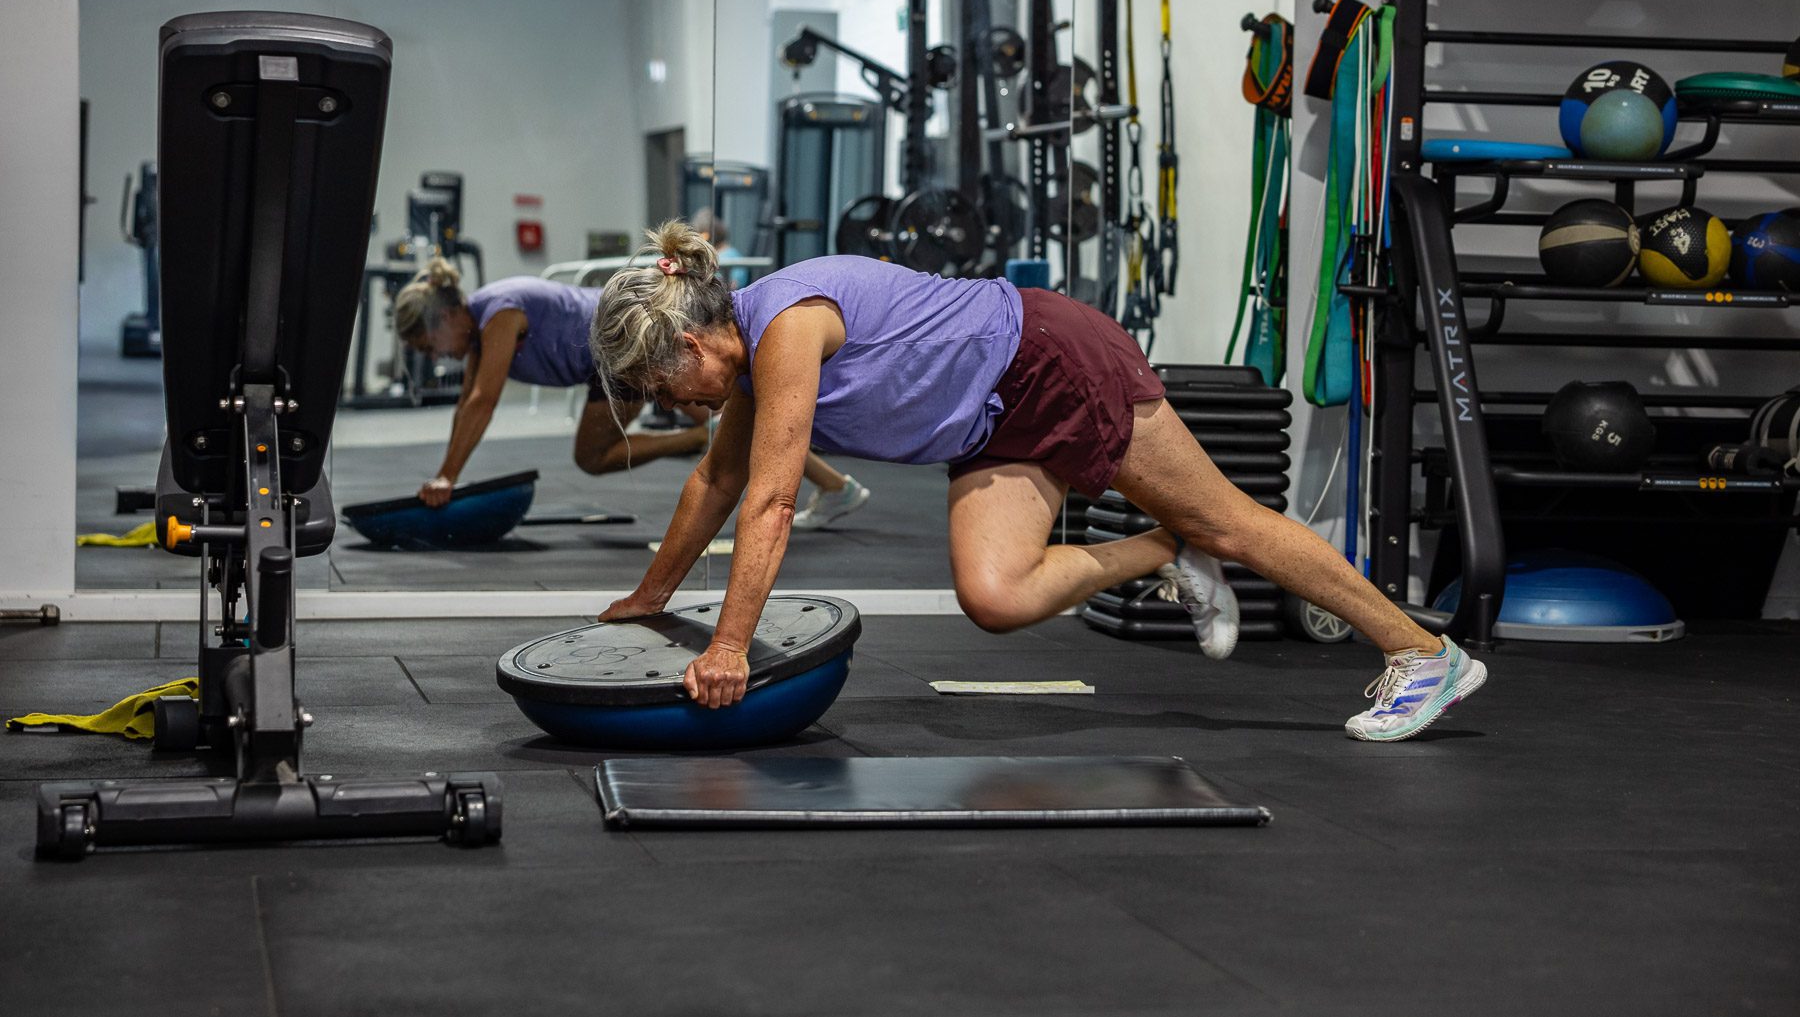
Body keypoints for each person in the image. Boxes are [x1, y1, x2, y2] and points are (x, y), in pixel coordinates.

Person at [589, 223, 1487, 742]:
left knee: (1233, 524)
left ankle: (1423, 655)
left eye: (667, 387)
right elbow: (715, 483)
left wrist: (731, 647)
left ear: (696, 344)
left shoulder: (785, 325)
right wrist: (648, 596)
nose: (676, 405)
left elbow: (772, 502)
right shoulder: (747, 363)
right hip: (991, 420)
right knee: (994, 593)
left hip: (1048, 359)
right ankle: (1159, 548)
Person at [393, 258, 866, 522]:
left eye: (427, 344)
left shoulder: (499, 313)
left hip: (629, 354)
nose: (435, 355)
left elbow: (483, 402)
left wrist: (447, 479)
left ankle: (714, 441)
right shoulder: (479, 330)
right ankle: (835, 486)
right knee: (740, 421)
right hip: (605, 367)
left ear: (449, 317)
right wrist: (444, 473)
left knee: (596, 454)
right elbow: (466, 405)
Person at [694, 211, 870, 529]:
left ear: (707, 235)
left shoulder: (733, 267)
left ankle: (838, 487)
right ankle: (836, 486)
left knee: (763, 435)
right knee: (754, 434)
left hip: (770, 344)